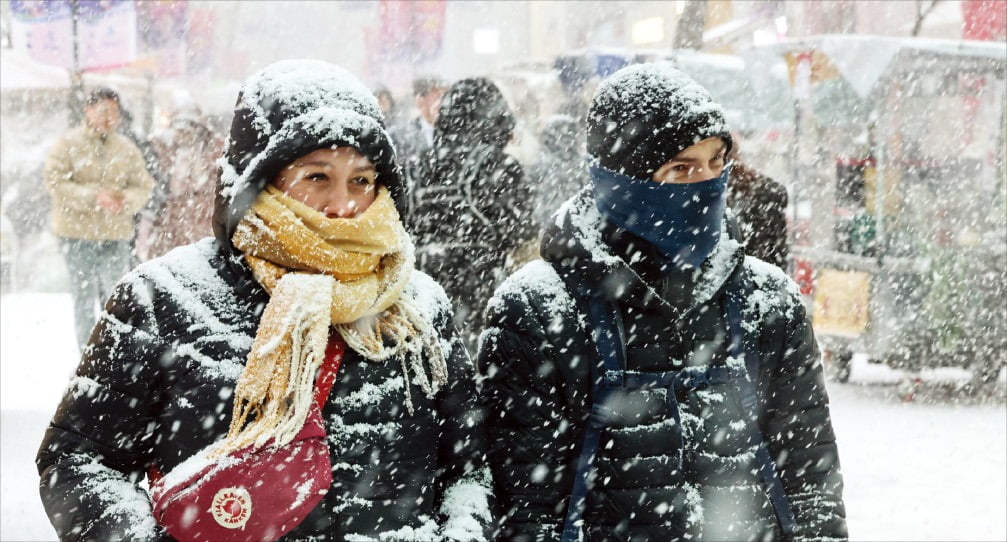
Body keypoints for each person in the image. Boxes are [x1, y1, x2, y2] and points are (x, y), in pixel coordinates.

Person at [36, 60, 492, 541]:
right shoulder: (162, 299)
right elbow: (78, 459)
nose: (343, 204)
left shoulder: (417, 307)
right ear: (259, 180)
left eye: (361, 180)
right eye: (317, 176)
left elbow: (470, 473)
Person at [479, 63, 847, 541]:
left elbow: (810, 485)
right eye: (682, 168)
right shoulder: (537, 311)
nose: (708, 186)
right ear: (620, 179)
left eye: (717, 162)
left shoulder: (767, 301)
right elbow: (527, 512)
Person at [409, 77, 534, 347]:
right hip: (483, 305)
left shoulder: (414, 166)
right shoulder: (501, 167)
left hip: (420, 307)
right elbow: (524, 242)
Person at [43, 87, 155, 349]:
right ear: (88, 110)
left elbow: (144, 186)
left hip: (115, 234)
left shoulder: (126, 148)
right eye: (103, 111)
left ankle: (113, 352)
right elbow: (55, 183)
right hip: (75, 233)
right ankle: (86, 354)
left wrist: (125, 201)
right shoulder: (68, 144)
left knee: (115, 296)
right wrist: (94, 197)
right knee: (83, 296)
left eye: (114, 112)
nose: (109, 118)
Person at [135, 102, 224, 261]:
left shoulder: (212, 149)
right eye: (180, 126)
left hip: (199, 216)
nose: (184, 132)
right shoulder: (163, 146)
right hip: (171, 217)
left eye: (190, 125)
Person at [726, 137, 791, 271]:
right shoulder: (764, 190)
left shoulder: (716, 193)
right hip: (762, 274)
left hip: (740, 275)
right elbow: (778, 249)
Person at [527, 114, 585, 234]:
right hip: (580, 228)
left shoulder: (538, 169)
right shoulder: (582, 166)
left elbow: (536, 210)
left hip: (554, 232)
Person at [394, 76, 447, 166]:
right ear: (420, 101)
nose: (443, 102)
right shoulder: (401, 137)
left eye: (445, 96)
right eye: (437, 96)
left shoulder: (454, 133)